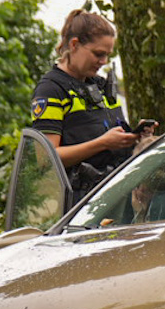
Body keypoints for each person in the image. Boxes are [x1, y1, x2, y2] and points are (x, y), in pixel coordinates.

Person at [30, 10, 148, 195]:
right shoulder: (51, 90)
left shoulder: (101, 85)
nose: (104, 61)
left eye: (108, 55)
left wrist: (133, 137)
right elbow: (46, 159)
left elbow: (111, 140)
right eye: (98, 54)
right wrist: (103, 143)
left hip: (117, 194)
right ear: (74, 44)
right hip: (81, 205)